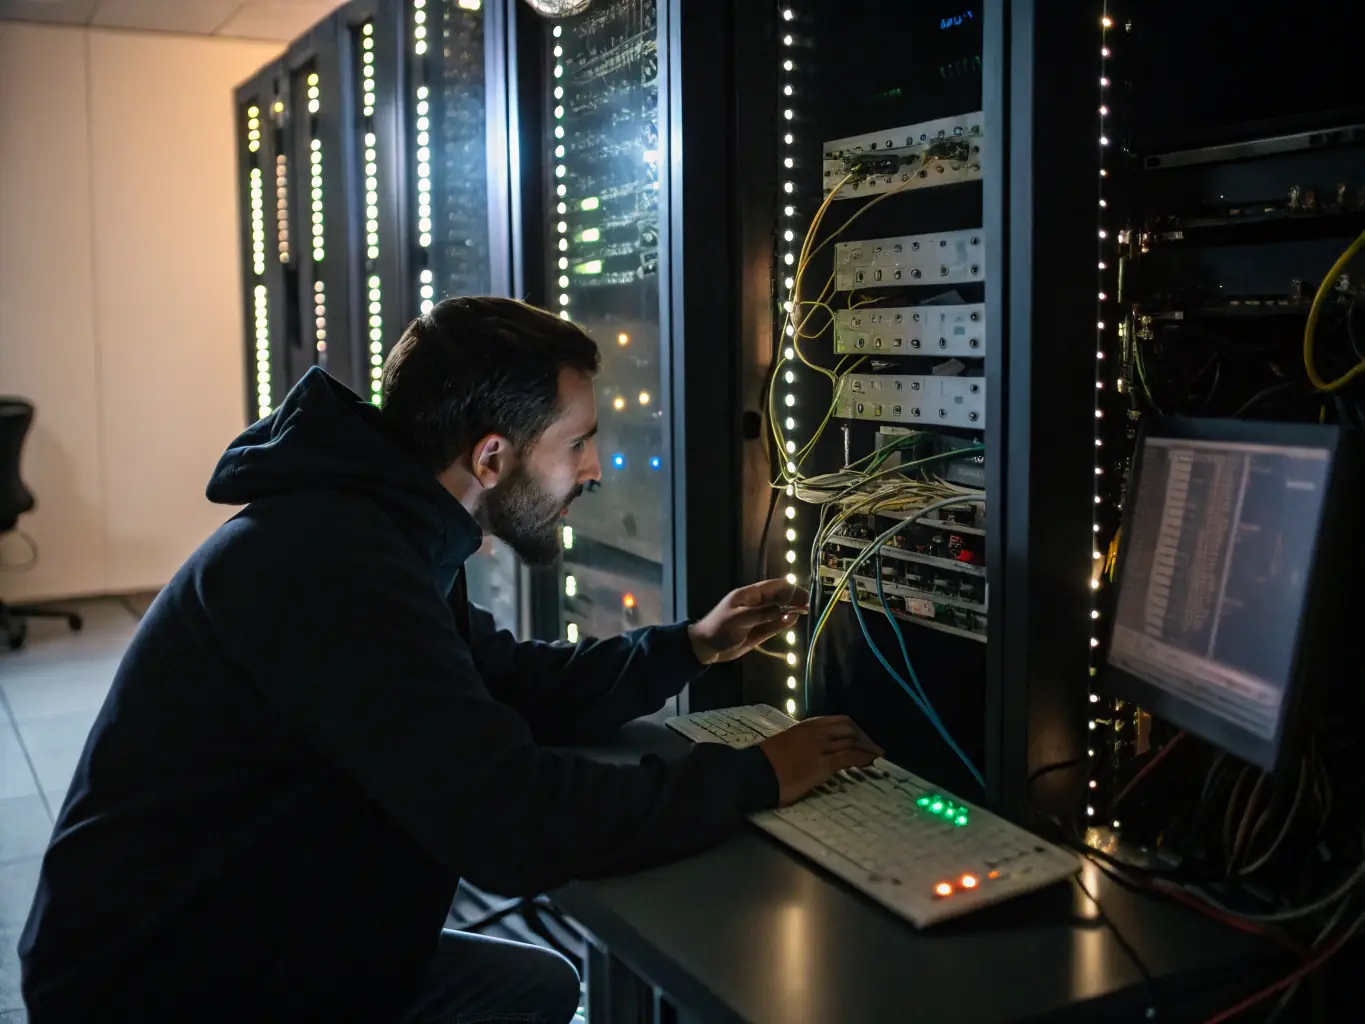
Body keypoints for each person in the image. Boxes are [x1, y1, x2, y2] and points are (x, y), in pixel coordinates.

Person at [19, 297, 882, 1024]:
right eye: (576, 442)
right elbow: (510, 821)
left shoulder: (374, 528)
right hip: (162, 985)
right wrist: (754, 778)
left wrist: (687, 645)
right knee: (528, 991)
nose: (594, 469)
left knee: (538, 984)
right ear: (492, 456)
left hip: (250, 923)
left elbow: (501, 678)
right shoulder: (332, 565)